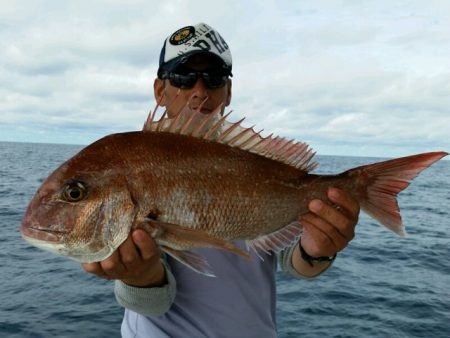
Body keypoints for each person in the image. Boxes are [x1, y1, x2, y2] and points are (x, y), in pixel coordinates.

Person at [82, 23, 360, 338]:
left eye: (214, 78)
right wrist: (139, 278)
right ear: (160, 91)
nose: (200, 90)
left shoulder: (255, 163)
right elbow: (155, 303)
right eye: (184, 77)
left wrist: (318, 249)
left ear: (227, 92)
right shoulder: (135, 167)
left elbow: (297, 264)